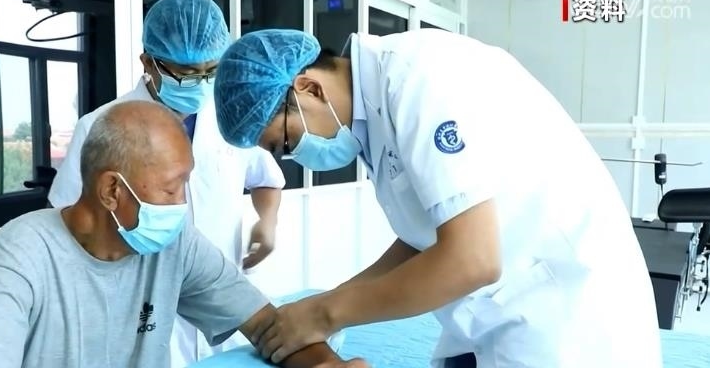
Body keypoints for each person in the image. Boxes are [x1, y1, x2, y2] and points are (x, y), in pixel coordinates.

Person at [211, 28, 662, 368]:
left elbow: (473, 259)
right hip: (496, 311)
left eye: (286, 143)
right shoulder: (374, 117)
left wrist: (328, 313)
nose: (296, 156)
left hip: (567, 318)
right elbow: (423, 238)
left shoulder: (416, 80)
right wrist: (330, 302)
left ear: (309, 88)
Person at [0, 101, 368, 368]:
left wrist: (327, 364)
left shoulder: (175, 243)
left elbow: (267, 327)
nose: (182, 204)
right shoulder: (24, 252)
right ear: (112, 190)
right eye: (172, 189)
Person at [47, 0, 286, 366]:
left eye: (210, 71)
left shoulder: (228, 118)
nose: (201, 83)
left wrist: (267, 222)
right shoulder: (100, 127)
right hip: (141, 305)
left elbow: (266, 177)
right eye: (186, 74)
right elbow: (69, 220)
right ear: (148, 62)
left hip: (221, 297)